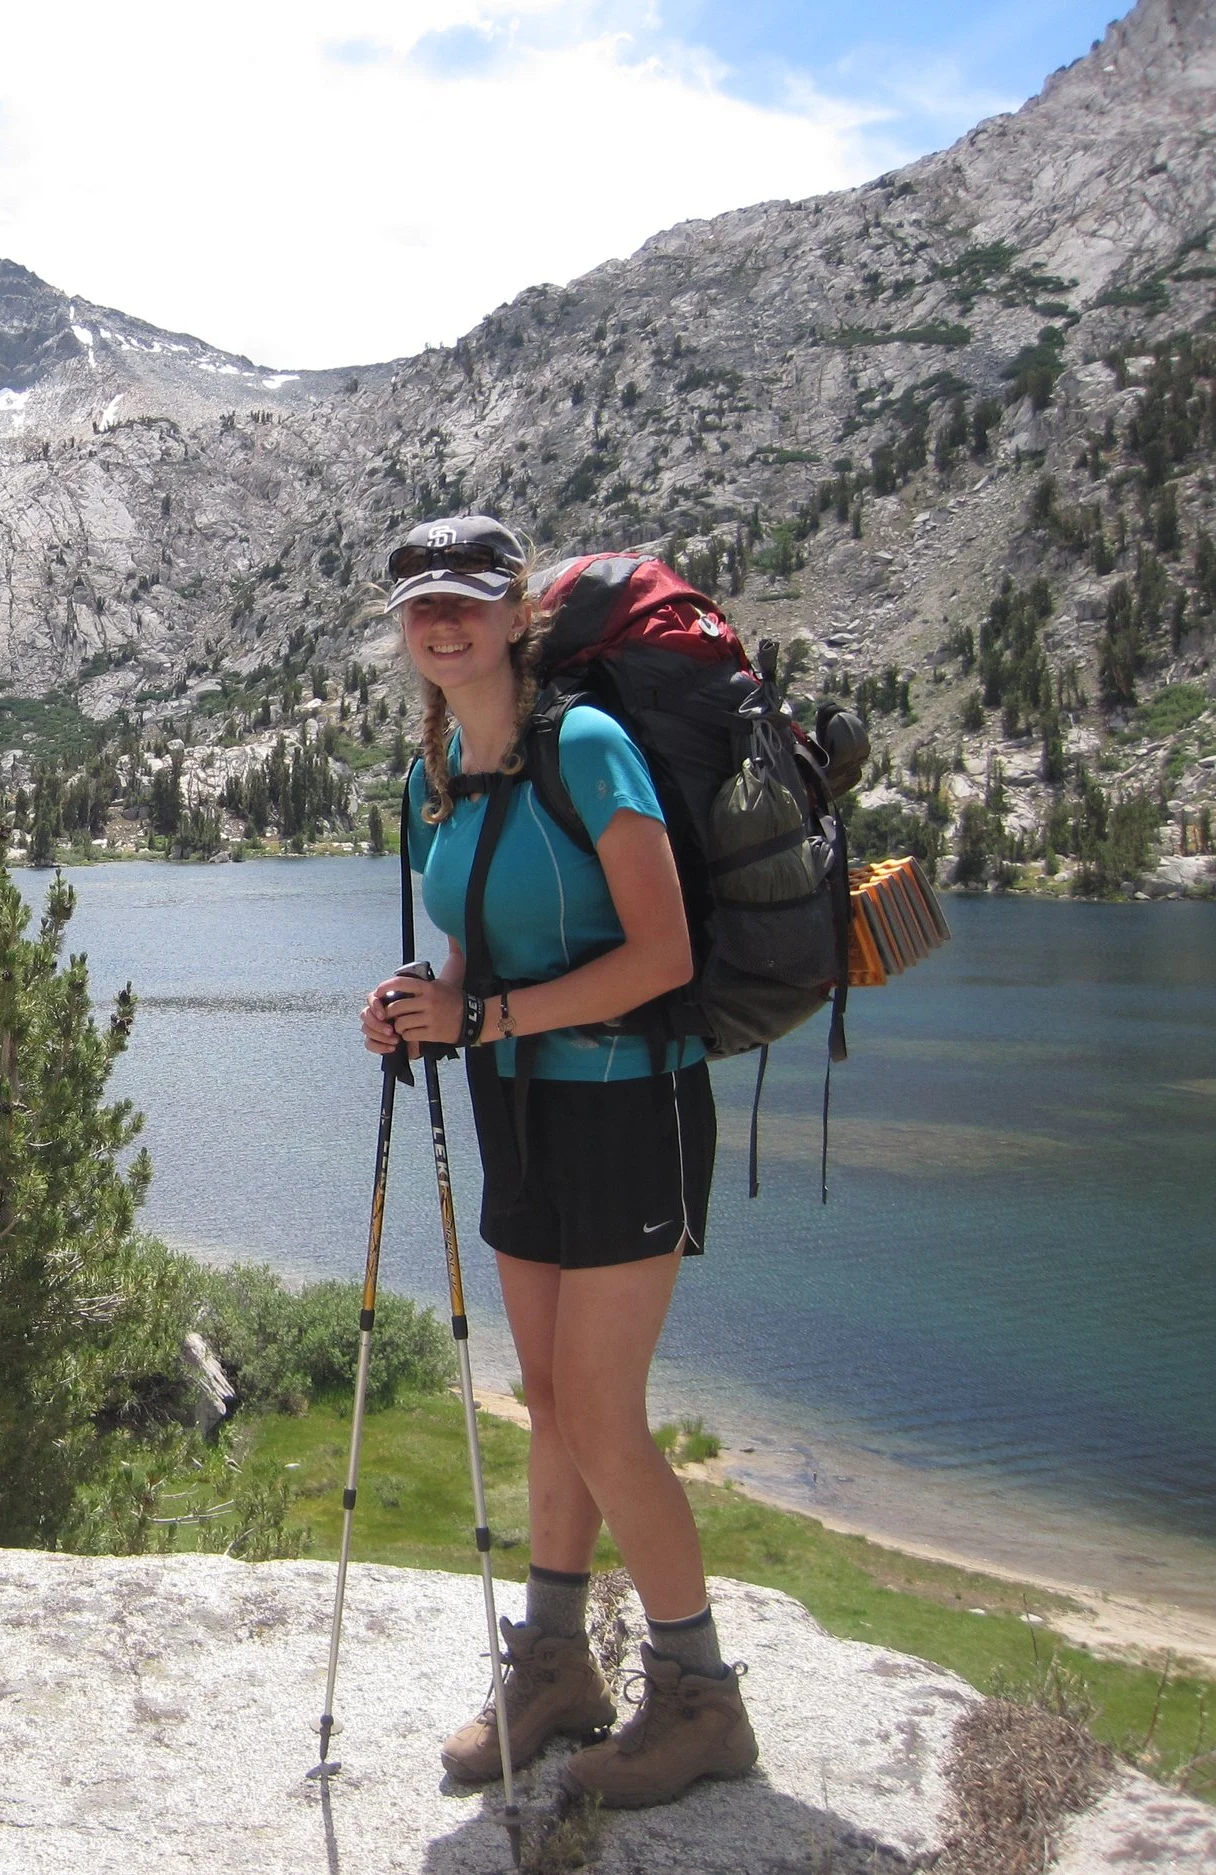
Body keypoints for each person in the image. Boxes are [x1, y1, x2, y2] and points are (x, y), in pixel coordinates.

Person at [358, 513, 757, 1810]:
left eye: (468, 597)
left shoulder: (588, 748)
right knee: (542, 1391)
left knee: (600, 1409)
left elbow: (665, 955)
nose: (444, 620)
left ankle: (701, 1698)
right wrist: (426, 1000)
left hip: (631, 1104)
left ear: (518, 613)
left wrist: (481, 1017)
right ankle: (557, 1668)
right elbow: (483, 944)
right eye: (422, 602)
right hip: (516, 1107)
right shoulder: (433, 778)